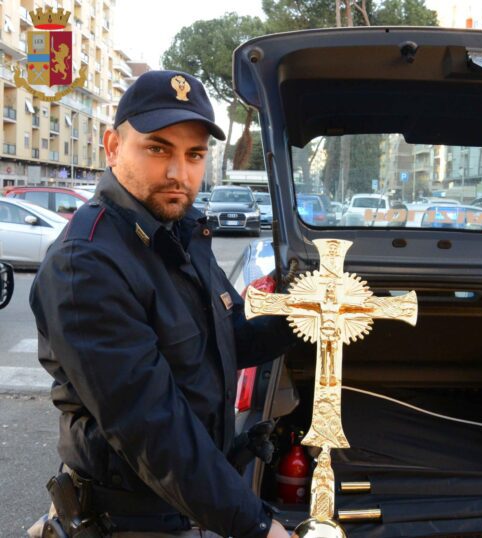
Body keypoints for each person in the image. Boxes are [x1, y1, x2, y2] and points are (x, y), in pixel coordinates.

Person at [28, 70, 293, 538]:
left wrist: (302, 317)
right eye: (157, 149)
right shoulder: (86, 264)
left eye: (194, 155)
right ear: (112, 147)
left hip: (195, 502)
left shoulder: (179, 231)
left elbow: (223, 337)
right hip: (131, 520)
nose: (179, 173)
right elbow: (153, 430)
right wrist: (258, 527)